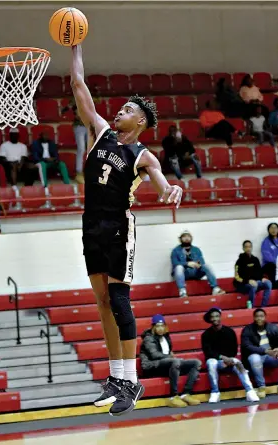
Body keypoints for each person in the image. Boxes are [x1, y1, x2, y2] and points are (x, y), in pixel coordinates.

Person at [70, 44, 182, 417]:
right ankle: (116, 379)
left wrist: (170, 190)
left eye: (129, 110)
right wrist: (76, 47)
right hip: (90, 225)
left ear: (141, 124)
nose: (120, 111)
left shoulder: (143, 155)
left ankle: (131, 381)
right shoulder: (99, 130)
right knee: (102, 302)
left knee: (118, 300)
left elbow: (161, 183)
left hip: (120, 226)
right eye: (122, 108)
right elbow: (78, 84)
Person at [140, 314, 201, 407]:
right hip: (152, 366)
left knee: (196, 363)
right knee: (175, 362)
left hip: (166, 364)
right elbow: (154, 355)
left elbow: (169, 353)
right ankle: (173, 396)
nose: (160, 328)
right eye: (157, 326)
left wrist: (172, 358)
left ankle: (185, 394)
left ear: (165, 326)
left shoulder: (166, 337)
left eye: (162, 326)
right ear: (153, 327)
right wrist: (172, 358)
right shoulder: (148, 338)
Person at [202, 307, 259, 403]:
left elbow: (234, 350)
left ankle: (250, 391)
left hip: (229, 359)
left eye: (217, 316)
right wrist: (222, 358)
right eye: (213, 317)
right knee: (211, 363)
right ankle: (215, 392)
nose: (215, 318)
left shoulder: (230, 332)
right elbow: (208, 352)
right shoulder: (205, 335)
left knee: (238, 362)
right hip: (216, 361)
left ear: (220, 317)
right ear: (210, 319)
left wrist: (228, 360)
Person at [171, 230, 225, 298]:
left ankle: (215, 288)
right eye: (184, 237)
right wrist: (187, 263)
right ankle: (182, 292)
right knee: (178, 267)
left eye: (188, 236)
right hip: (184, 274)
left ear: (191, 238)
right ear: (180, 239)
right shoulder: (175, 250)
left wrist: (198, 264)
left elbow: (202, 261)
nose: (187, 238)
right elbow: (174, 263)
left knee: (206, 265)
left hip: (196, 272)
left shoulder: (196, 249)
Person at [241, 308, 278, 398]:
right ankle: (261, 387)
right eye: (257, 316)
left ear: (265, 317)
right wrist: (265, 351)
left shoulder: (273, 327)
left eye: (261, 316)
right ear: (254, 318)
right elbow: (247, 346)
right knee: (255, 358)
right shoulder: (247, 329)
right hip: (256, 356)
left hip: (271, 356)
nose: (259, 318)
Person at [234, 240, 272, 308]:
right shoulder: (239, 261)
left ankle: (263, 307)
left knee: (268, 283)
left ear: (252, 248)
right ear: (243, 248)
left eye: (250, 247)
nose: (248, 248)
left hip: (256, 282)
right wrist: (248, 281)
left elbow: (260, 272)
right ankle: (251, 308)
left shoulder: (255, 259)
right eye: (246, 247)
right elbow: (237, 277)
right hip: (244, 284)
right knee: (253, 286)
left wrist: (262, 278)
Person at [61, 99, 87, 184]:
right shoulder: (76, 97)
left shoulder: (89, 97)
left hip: (89, 126)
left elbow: (98, 101)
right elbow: (66, 109)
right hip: (79, 126)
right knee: (81, 149)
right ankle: (79, 172)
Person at [261, 222, 278, 288]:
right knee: (272, 265)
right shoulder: (266, 241)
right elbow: (266, 256)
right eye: (272, 228)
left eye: (275, 228)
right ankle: (273, 285)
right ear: (268, 230)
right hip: (268, 265)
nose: (273, 230)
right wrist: (276, 262)